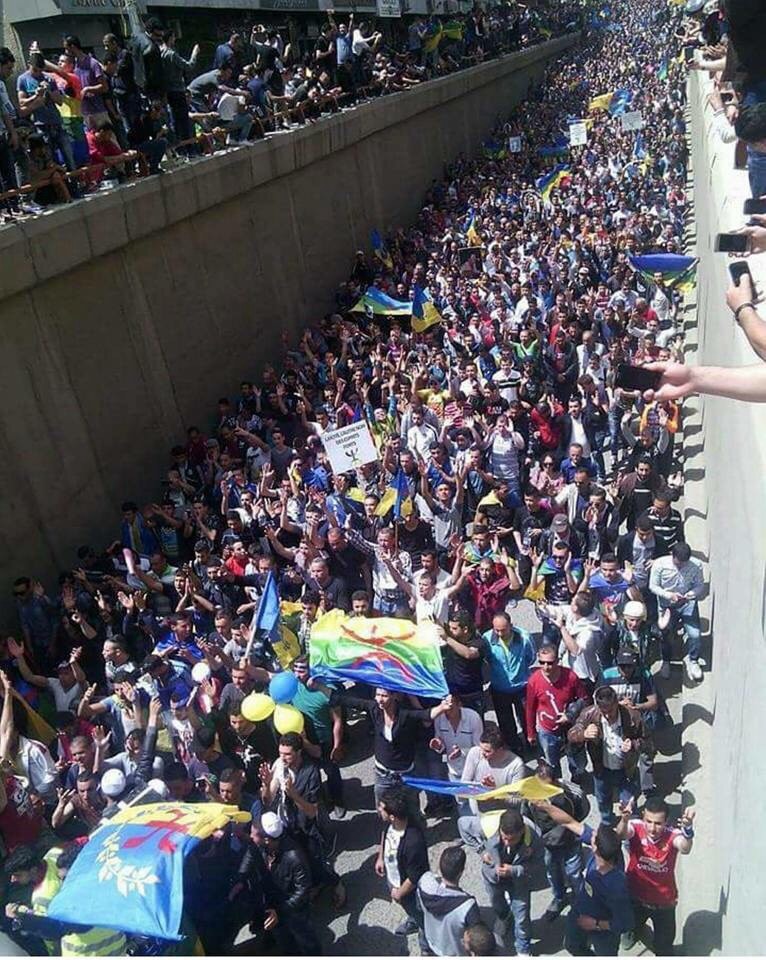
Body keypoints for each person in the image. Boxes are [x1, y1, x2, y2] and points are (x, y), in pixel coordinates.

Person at [539, 801, 634, 956]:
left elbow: (625, 922)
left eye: (594, 835)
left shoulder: (616, 886)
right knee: (571, 945)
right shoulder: (608, 848)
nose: (592, 833)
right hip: (579, 913)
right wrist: (545, 806)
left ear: (595, 847)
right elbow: (568, 822)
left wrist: (596, 925)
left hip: (603, 931)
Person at [615, 797, 695, 955]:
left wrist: (688, 830)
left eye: (658, 823)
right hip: (635, 896)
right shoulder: (636, 827)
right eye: (649, 821)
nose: (652, 828)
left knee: (664, 945)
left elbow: (685, 848)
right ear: (643, 816)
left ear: (666, 822)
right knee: (631, 925)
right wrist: (624, 819)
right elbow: (621, 834)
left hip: (664, 901)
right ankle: (632, 932)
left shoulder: (673, 835)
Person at [568, 685, 647, 825]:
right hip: (601, 769)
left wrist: (634, 744)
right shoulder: (589, 714)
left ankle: (632, 830)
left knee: (629, 805)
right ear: (597, 707)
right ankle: (607, 824)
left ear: (617, 702)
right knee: (603, 801)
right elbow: (571, 734)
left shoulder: (632, 716)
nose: (608, 715)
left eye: (611, 710)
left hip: (626, 770)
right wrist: (583, 734)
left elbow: (649, 744)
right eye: (604, 712)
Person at [524, 760, 589, 921]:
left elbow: (583, 809)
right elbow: (526, 816)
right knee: (552, 872)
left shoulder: (570, 792)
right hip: (547, 843)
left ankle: (581, 904)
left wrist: (570, 828)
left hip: (570, 840)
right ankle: (559, 898)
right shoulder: (530, 794)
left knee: (574, 873)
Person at [478, 808, 543, 955]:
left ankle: (523, 949)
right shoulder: (487, 826)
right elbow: (463, 826)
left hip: (519, 883)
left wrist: (514, 870)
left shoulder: (534, 837)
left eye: (512, 839)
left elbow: (538, 866)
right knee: (497, 903)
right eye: (504, 837)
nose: (507, 843)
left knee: (521, 917)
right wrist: (481, 851)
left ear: (522, 832)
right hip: (493, 879)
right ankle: (504, 917)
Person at [524, 643, 589, 779]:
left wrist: (570, 715)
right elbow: (530, 708)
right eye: (542, 662)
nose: (546, 667)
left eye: (550, 663)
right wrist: (530, 733)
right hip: (547, 730)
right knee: (551, 764)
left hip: (570, 729)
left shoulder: (570, 677)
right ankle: (558, 785)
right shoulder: (534, 681)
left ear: (558, 661)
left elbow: (585, 699)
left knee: (578, 762)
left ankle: (577, 778)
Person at [375, 787, 429, 946]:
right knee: (411, 910)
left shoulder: (413, 842)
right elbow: (384, 835)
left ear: (392, 816)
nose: (379, 809)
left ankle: (426, 942)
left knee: (421, 914)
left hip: (408, 889)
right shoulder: (390, 822)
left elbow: (415, 876)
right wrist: (380, 858)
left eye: (381, 807)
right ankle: (413, 919)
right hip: (395, 879)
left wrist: (398, 893)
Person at [649, 542, 705, 682]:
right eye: (678, 563)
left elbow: (700, 585)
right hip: (667, 604)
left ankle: (693, 660)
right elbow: (653, 586)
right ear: (672, 556)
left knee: (695, 634)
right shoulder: (660, 564)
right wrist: (669, 595)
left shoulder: (696, 566)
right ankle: (666, 660)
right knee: (665, 635)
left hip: (687, 603)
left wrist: (690, 595)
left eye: (684, 564)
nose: (681, 566)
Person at [482, 612, 536, 756]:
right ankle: (515, 747)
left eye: (503, 630)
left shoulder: (524, 638)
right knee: (506, 722)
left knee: (526, 718)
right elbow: (487, 659)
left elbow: (530, 658)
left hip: (522, 686)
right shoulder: (487, 639)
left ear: (511, 626)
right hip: (499, 688)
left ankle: (531, 742)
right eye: (496, 630)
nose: (499, 633)